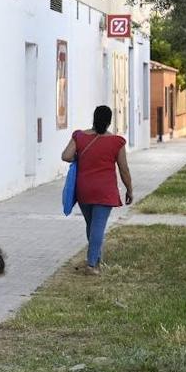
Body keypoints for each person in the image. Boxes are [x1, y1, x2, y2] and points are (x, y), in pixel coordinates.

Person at [60, 105, 133, 275]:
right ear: (109, 121)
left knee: (91, 225)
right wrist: (129, 189)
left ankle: (95, 260)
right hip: (104, 191)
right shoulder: (116, 142)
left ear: (94, 118)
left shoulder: (79, 136)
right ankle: (92, 265)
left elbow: (65, 156)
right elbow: (124, 169)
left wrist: (79, 156)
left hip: (84, 189)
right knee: (98, 227)